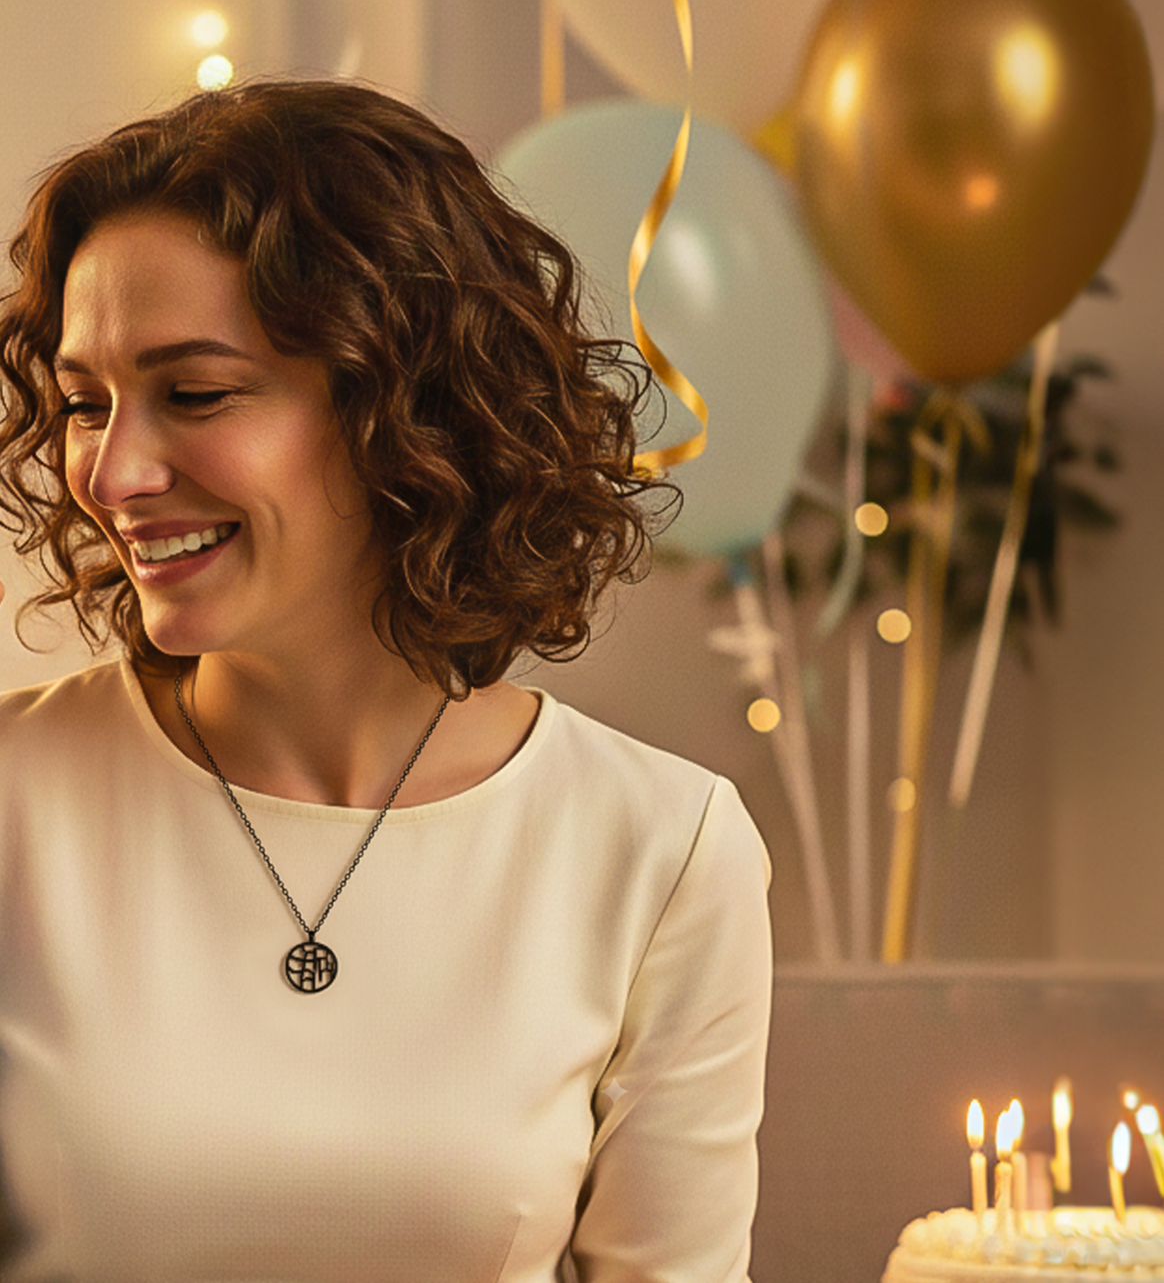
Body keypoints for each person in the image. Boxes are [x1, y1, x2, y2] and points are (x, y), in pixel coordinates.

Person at [0, 79, 772, 1281]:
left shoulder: (662, 847)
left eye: (194, 393)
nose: (112, 471)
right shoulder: (15, 800)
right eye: (85, 402)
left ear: (405, 406)